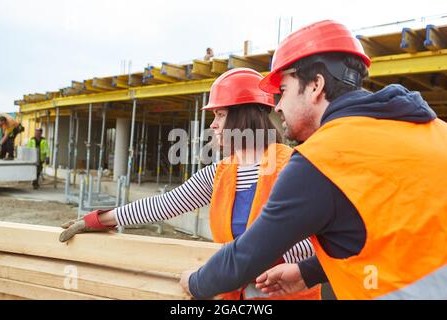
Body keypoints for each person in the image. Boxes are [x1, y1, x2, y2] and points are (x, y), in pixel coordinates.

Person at [179, 20, 447, 300]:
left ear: (315, 85)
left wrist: (195, 282)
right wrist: (309, 272)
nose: (278, 105)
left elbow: (246, 255)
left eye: (283, 90)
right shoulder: (436, 132)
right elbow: (401, 239)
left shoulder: (320, 161)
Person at [59, 68, 321, 300]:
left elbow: (319, 239)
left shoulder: (292, 167)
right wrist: (101, 220)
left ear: (244, 117)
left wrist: (254, 263)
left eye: (219, 115)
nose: (214, 125)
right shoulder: (220, 173)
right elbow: (165, 204)